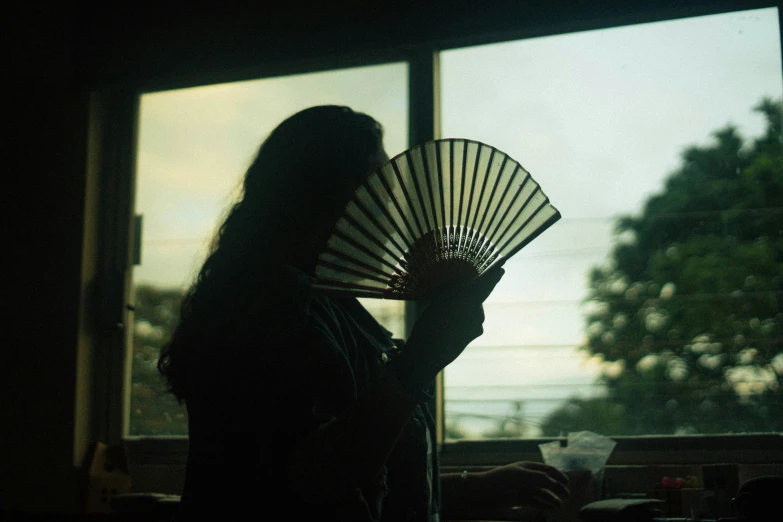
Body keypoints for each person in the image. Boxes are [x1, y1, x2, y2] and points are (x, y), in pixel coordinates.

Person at [158, 105, 571, 521]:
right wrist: (421, 358)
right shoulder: (267, 307)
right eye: (375, 188)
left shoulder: (330, 305)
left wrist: (479, 488)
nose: (390, 212)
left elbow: (369, 480)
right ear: (323, 195)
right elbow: (306, 484)